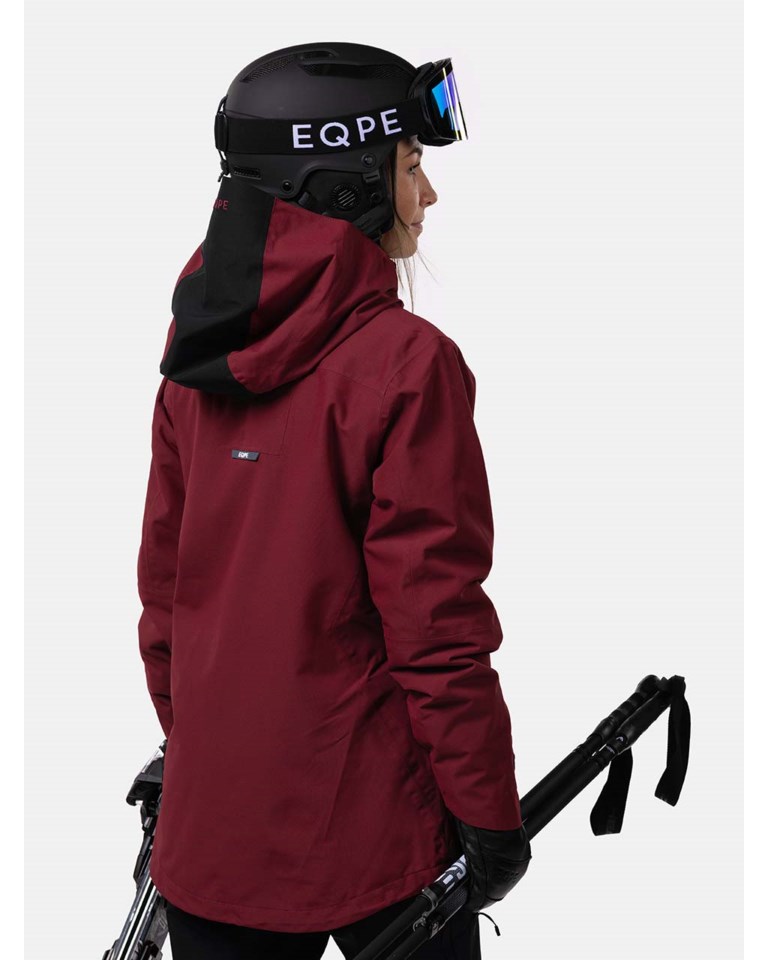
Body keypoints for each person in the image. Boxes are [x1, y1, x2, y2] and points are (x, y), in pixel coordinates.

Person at [136, 41, 532, 960]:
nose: (428, 194)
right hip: (374, 848)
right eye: (411, 165)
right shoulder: (408, 367)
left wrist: (204, 760)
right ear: (346, 185)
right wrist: (488, 813)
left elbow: (166, 609)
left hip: (212, 838)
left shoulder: (191, 365)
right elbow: (437, 627)